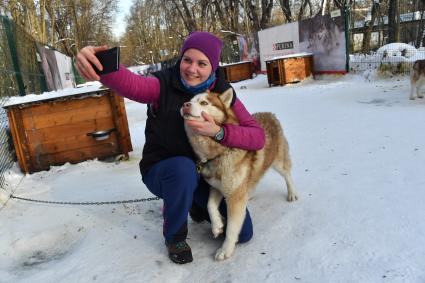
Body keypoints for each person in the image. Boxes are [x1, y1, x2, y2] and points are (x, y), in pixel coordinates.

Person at [75, 31, 265, 264]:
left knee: (243, 233)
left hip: (204, 174)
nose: (192, 69)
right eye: (188, 60)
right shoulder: (163, 83)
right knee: (183, 170)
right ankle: (175, 236)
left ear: (213, 67)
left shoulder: (222, 93)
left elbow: (257, 137)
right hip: (164, 170)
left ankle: (194, 202)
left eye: (202, 63)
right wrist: (101, 65)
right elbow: (134, 85)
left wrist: (219, 132)